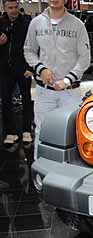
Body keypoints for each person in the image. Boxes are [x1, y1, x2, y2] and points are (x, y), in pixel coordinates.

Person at [24, 0, 90, 158]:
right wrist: (41, 69)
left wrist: (67, 80)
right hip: (44, 92)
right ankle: (39, 166)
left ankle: (66, 171)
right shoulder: (36, 23)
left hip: (70, 92)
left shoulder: (77, 25)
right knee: (41, 130)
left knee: (71, 133)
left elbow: (85, 58)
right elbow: (29, 51)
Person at [0, 0, 34, 145]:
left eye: (15, 7)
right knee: (6, 100)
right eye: (10, 7)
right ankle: (10, 132)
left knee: (26, 99)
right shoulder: (0, 23)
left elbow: (35, 45)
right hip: (5, 69)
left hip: (23, 68)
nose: (13, 10)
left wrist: (31, 68)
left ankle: (27, 130)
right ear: (4, 8)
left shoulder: (27, 23)